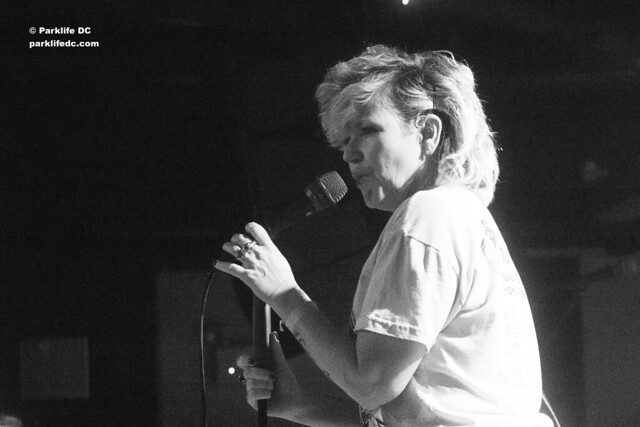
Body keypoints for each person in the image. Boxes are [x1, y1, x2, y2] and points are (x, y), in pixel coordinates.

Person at [214, 45, 553, 427]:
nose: (350, 155)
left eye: (368, 130)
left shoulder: (429, 215)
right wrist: (298, 406)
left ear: (427, 132)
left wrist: (285, 295)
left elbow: (372, 384)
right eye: (344, 142)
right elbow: (409, 408)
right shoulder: (460, 217)